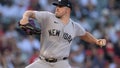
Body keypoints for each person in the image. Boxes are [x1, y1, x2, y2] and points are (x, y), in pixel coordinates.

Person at [19, 0, 106, 68]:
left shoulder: (74, 26)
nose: (57, 8)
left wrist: (96, 41)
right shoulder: (48, 17)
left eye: (60, 6)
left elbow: (85, 35)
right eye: (57, 6)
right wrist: (25, 18)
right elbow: (30, 12)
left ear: (67, 10)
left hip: (61, 63)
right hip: (43, 62)